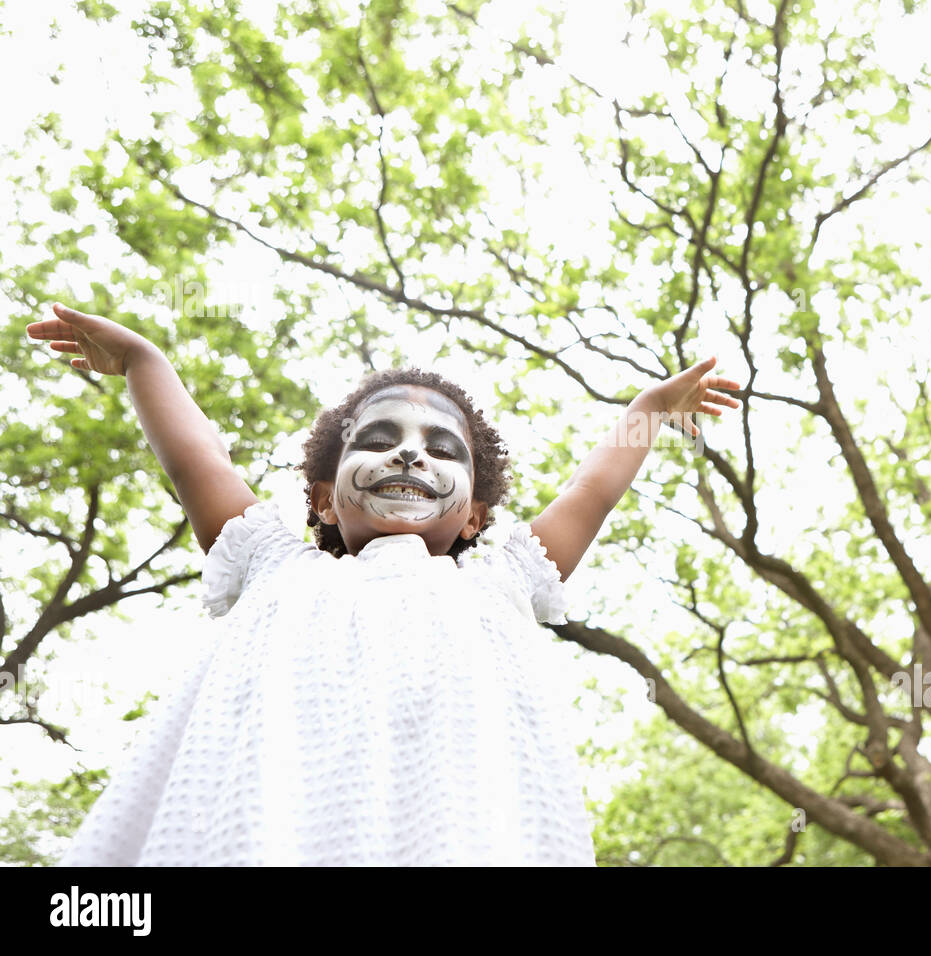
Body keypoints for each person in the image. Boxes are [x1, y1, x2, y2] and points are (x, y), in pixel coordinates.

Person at [27, 301, 741, 866]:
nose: (408, 450)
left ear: (475, 518)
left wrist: (646, 412)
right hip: (267, 831)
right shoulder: (274, 562)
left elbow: (592, 489)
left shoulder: (499, 580)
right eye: (376, 438)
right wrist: (145, 361)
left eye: (440, 448)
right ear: (323, 501)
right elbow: (196, 459)